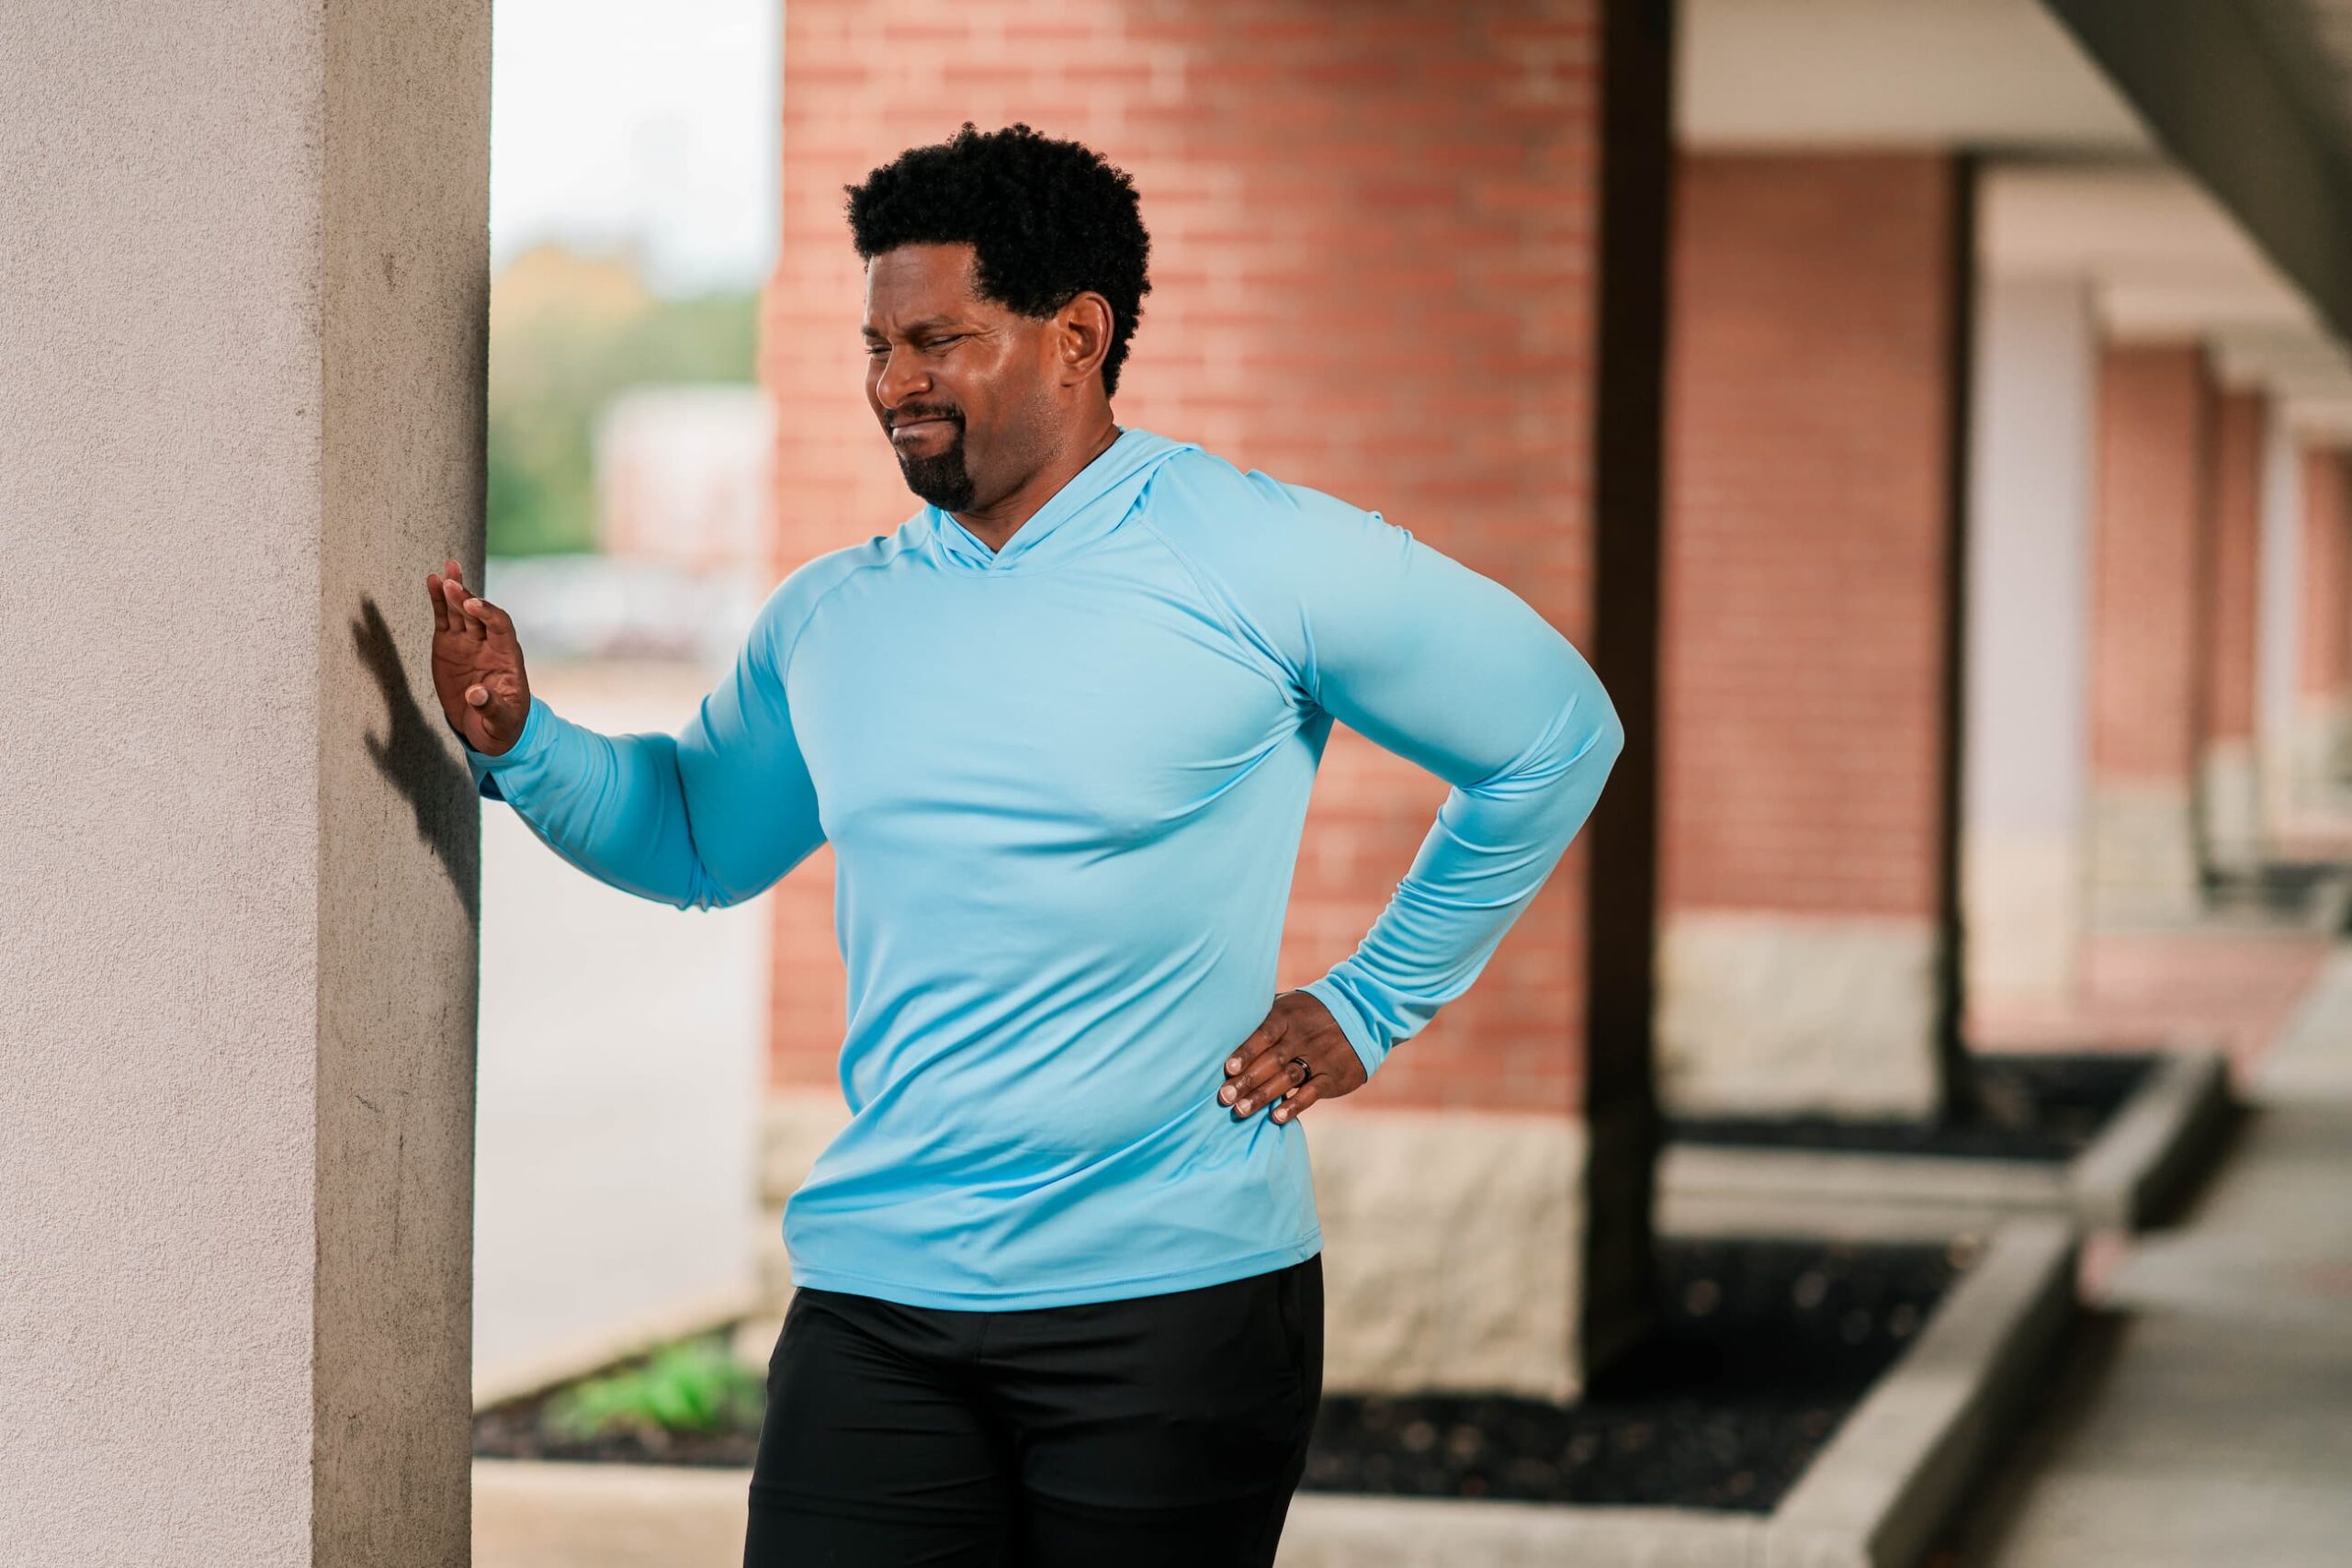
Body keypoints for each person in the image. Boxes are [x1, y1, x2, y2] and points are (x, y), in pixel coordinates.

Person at [427, 121, 1622, 1568]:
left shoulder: (1258, 555)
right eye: (876, 344)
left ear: (1078, 336)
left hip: (1172, 1312)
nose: (893, 384)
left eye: (938, 339)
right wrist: (521, 742)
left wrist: (1370, 1003)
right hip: (881, 1307)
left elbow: (1556, 734)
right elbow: (694, 839)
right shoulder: (833, 616)